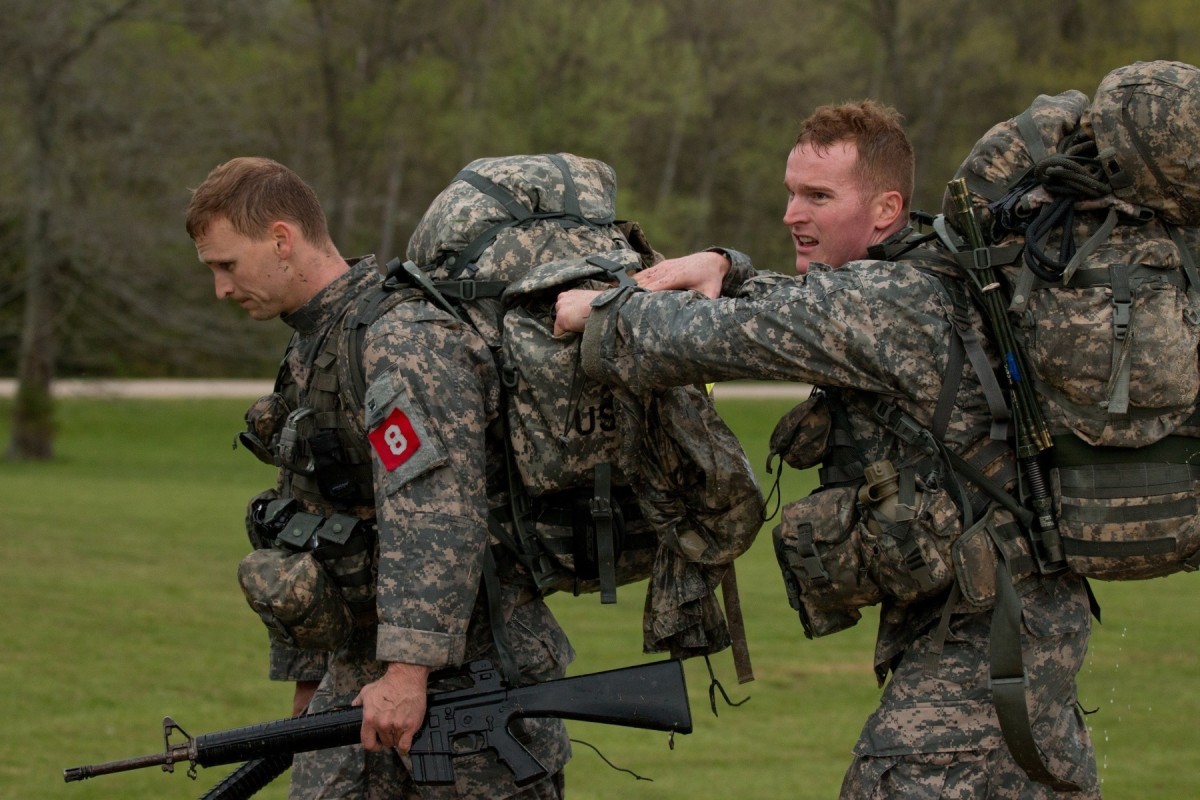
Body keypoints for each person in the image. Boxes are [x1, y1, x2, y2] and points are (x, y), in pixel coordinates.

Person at [555, 101, 1099, 797]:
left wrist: (597, 313)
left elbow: (717, 339)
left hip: (984, 649)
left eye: (817, 196)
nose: (791, 214)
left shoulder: (890, 301)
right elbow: (806, 310)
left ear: (885, 208)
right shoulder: (930, 275)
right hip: (1022, 630)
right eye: (790, 192)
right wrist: (727, 266)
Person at [186, 156, 573, 799]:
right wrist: (309, 681)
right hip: (359, 680)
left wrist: (407, 673)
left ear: (282, 239)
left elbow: (434, 509)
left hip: (465, 687)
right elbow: (307, 517)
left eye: (226, 265)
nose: (222, 289)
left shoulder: (401, 337)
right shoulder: (315, 341)